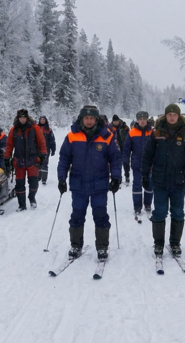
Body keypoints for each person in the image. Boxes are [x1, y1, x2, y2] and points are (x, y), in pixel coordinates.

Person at [58, 105, 122, 260]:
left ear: (96, 119)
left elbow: (115, 159)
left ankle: (102, 247)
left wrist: (116, 178)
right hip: (78, 184)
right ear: (81, 119)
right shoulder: (72, 136)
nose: (88, 121)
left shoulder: (107, 136)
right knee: (77, 215)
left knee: (100, 215)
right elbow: (64, 158)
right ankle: (75, 245)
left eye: (91, 118)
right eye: (86, 118)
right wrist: (61, 178)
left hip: (99, 184)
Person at [141, 104, 185, 258]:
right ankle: (158, 243)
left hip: (179, 181)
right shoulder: (156, 133)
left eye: (175, 115)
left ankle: (175, 243)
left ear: (179, 116)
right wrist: (144, 174)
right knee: (159, 212)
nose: (172, 117)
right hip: (160, 180)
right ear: (165, 116)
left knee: (178, 212)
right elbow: (147, 155)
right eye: (169, 114)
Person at [5, 109, 47, 211]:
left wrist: (43, 154)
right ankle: (22, 205)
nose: (22, 119)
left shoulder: (35, 128)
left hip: (33, 160)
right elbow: (9, 145)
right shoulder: (13, 130)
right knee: (19, 184)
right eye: (21, 118)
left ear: (27, 118)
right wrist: (7, 157)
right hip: (19, 161)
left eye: (24, 117)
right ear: (18, 118)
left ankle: (32, 198)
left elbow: (41, 142)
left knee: (34, 183)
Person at [123, 111, 153, 218]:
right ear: (137, 120)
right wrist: (125, 160)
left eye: (144, 119)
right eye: (140, 119)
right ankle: (137, 206)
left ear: (147, 120)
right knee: (137, 185)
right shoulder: (132, 132)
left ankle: (148, 204)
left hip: (150, 165)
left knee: (150, 185)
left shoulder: (152, 132)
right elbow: (127, 148)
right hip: (137, 164)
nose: (142, 121)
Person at [109, 115, 131, 184]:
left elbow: (129, 135)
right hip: (115, 147)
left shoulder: (124, 126)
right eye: (114, 121)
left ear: (119, 120)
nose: (115, 122)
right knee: (117, 163)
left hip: (124, 146)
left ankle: (127, 176)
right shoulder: (110, 128)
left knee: (125, 162)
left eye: (116, 121)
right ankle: (119, 178)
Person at [37, 116, 56, 185]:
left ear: (46, 120)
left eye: (43, 119)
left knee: (44, 163)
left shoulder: (49, 130)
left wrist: (53, 149)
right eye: (41, 119)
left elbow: (52, 140)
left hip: (46, 149)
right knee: (38, 163)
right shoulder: (36, 128)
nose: (42, 120)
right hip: (37, 149)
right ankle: (38, 177)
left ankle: (44, 179)